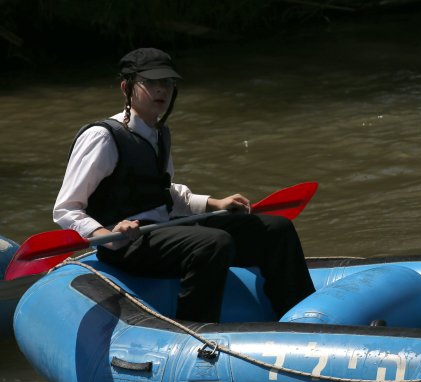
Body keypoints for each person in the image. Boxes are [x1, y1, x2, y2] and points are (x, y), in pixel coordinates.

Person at [53, 47, 315, 322]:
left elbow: (163, 190)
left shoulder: (159, 133)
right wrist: (104, 232)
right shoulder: (102, 137)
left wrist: (213, 203)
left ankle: (301, 318)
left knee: (276, 229)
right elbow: (67, 209)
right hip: (123, 244)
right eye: (150, 83)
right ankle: (197, 329)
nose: (160, 90)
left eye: (166, 82)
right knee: (213, 242)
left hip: (165, 230)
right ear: (126, 88)